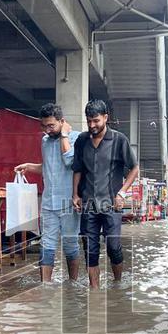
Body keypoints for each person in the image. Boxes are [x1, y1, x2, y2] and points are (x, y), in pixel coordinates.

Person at [71, 99, 139, 288]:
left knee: (113, 246)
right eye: (89, 121)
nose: (92, 125)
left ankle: (117, 284)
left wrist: (122, 193)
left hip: (111, 204)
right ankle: (95, 291)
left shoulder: (119, 140)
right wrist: (75, 194)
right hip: (88, 205)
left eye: (96, 121)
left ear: (106, 118)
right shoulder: (82, 140)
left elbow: (134, 168)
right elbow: (77, 169)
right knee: (90, 249)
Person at [14, 103, 81, 282]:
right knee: (46, 244)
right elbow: (49, 168)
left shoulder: (76, 138)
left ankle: (72, 284)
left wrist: (64, 135)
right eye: (43, 126)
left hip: (68, 202)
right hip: (49, 202)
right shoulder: (45, 141)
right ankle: (45, 285)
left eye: (51, 125)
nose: (46, 130)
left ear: (62, 122)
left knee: (70, 244)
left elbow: (69, 162)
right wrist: (29, 166)